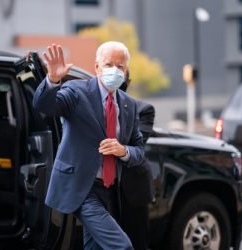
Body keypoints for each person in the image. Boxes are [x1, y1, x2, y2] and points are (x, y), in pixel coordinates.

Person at [33, 42, 145, 250]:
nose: (114, 70)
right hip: (83, 187)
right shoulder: (77, 91)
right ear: (96, 67)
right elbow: (46, 106)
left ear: (126, 70)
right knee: (122, 246)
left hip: (110, 190)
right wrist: (53, 80)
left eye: (120, 67)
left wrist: (124, 151)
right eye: (108, 64)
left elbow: (139, 151)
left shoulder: (129, 105)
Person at [120, 75, 155, 250]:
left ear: (128, 80)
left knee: (137, 242)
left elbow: (136, 145)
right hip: (103, 190)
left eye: (121, 70)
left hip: (133, 189)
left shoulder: (143, 109)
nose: (115, 74)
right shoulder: (93, 105)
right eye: (109, 66)